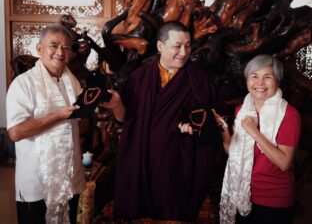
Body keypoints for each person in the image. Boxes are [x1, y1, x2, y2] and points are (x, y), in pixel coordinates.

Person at [102, 21, 220, 221]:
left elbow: (215, 121)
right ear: (160, 46)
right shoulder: (139, 78)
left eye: (188, 45)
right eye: (177, 46)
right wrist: (115, 105)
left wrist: (198, 128)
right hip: (141, 159)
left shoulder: (198, 80)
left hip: (179, 164)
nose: (184, 52)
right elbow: (124, 118)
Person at [6, 25, 86, 224]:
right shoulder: (23, 83)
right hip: (37, 182)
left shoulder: (72, 81)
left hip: (69, 179)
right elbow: (15, 133)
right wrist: (58, 116)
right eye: (54, 45)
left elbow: (79, 123)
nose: (61, 52)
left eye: (66, 47)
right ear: (39, 49)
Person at [214, 54, 301, 224]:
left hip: (274, 199)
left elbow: (284, 162)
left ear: (277, 81)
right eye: (254, 76)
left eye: (267, 77)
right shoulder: (242, 110)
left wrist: (254, 132)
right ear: (247, 80)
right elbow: (233, 151)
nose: (260, 83)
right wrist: (224, 131)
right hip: (242, 195)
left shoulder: (289, 115)